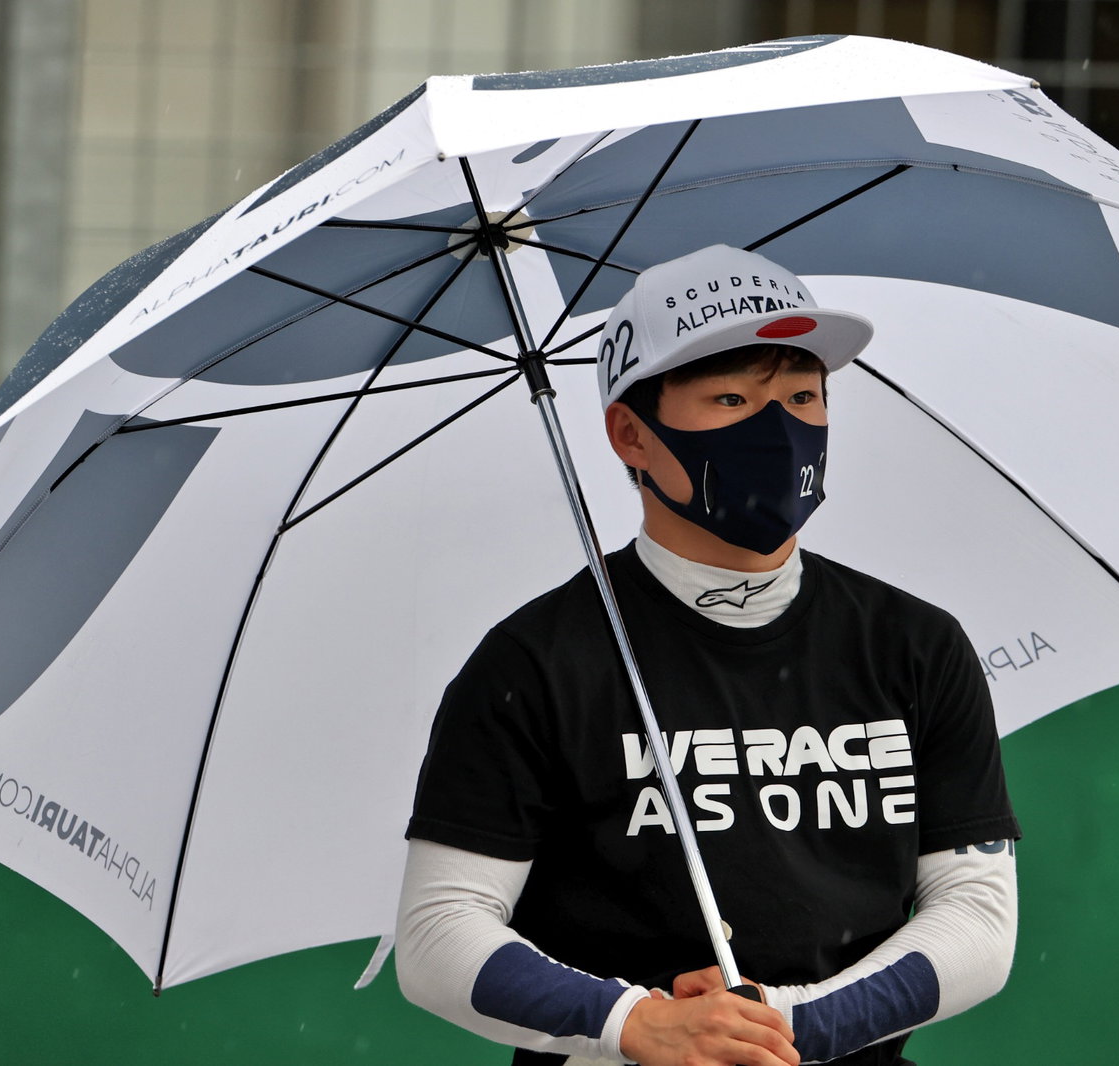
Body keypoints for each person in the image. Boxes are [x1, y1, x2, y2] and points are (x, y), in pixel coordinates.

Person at [396, 245, 1020, 1066]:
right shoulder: (533, 662)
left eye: (802, 396)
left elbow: (978, 915)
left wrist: (791, 1024)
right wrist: (639, 1026)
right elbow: (438, 936)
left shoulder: (915, 644)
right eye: (731, 397)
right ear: (631, 435)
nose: (780, 429)